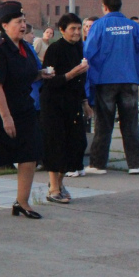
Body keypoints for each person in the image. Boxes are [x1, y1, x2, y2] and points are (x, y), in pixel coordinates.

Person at [0, 1, 54, 218]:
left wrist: (41, 74)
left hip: (23, 106)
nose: (23, 26)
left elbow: (26, 75)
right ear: (5, 25)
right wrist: (6, 118)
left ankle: (22, 202)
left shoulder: (26, 48)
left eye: (24, 21)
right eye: (18, 22)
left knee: (30, 153)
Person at [84, 0, 139, 174]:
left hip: (105, 80)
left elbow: (89, 51)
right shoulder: (133, 26)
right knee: (130, 123)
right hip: (129, 80)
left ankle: (98, 164)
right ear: (120, 6)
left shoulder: (99, 25)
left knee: (103, 124)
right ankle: (136, 164)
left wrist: (88, 79)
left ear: (104, 7)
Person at [40, 13, 92, 203]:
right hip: (54, 103)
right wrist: (71, 74)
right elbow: (49, 81)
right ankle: (53, 188)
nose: (77, 32)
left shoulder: (79, 48)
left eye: (79, 28)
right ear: (62, 30)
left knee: (76, 144)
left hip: (73, 103)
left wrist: (85, 102)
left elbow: (81, 80)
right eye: (73, 29)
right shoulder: (55, 49)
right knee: (56, 145)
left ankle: (60, 183)